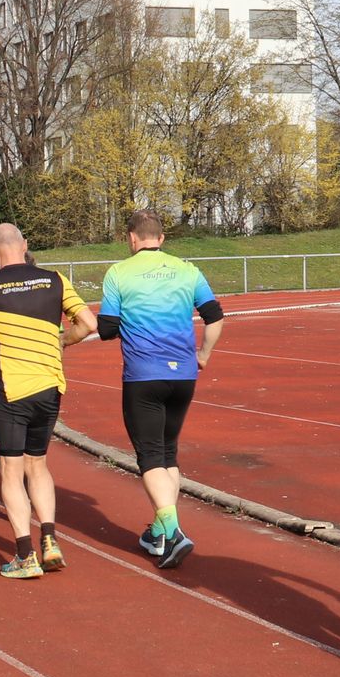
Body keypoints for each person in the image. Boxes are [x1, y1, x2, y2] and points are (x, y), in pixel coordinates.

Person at [97, 209, 224, 571]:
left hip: (143, 376)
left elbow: (106, 329)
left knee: (150, 456)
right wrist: (203, 355)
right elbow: (215, 316)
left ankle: (174, 532)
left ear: (131, 238)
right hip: (183, 375)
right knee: (168, 453)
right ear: (162, 238)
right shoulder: (188, 270)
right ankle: (158, 532)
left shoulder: (119, 272)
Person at [0, 222, 96, 579]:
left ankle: (25, 556)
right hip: (49, 385)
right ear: (25, 245)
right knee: (38, 464)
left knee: (11, 471)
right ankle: (50, 540)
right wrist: (62, 341)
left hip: (10, 389)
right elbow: (88, 323)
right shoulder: (55, 279)